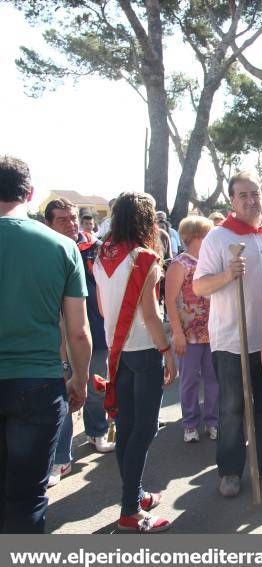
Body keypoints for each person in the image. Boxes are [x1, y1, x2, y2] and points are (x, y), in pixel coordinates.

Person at [0, 156, 91, 533]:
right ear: (31, 194)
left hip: (33, 380)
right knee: (27, 498)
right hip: (38, 382)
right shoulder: (62, 247)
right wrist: (81, 381)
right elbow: (78, 331)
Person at [194, 171, 262, 498]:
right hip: (232, 340)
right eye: (243, 195)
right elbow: (199, 285)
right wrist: (227, 274)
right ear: (232, 200)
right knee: (233, 408)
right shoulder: (218, 238)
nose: (251, 200)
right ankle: (229, 470)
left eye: (255, 194)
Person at [93, 191, 177, 532]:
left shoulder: (100, 255)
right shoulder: (145, 257)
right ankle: (130, 510)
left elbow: (101, 308)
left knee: (127, 427)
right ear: (145, 219)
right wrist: (167, 351)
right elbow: (150, 315)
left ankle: (135, 493)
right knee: (144, 428)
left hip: (117, 350)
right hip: (143, 350)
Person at [43, 199, 114, 488]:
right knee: (61, 397)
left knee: (95, 385)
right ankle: (60, 457)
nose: (71, 224)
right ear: (49, 223)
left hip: (94, 333)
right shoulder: (43, 251)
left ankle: (98, 432)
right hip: (54, 338)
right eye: (63, 219)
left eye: (73, 218)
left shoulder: (95, 250)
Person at [165, 216, 218, 444]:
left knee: (213, 379)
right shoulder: (180, 264)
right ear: (195, 237)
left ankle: (213, 421)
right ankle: (189, 423)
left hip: (213, 331)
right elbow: (170, 300)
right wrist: (177, 333)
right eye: (207, 235)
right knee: (189, 380)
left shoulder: (212, 263)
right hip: (188, 334)